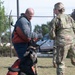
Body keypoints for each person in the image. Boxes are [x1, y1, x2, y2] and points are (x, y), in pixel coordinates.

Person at [7, 8, 39, 75]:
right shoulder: (23, 21)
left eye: (32, 16)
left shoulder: (26, 20)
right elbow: (27, 34)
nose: (31, 18)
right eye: (30, 16)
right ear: (26, 13)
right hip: (20, 44)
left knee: (26, 61)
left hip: (23, 43)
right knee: (25, 63)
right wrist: (38, 35)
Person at [49, 2, 75, 75]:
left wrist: (56, 38)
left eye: (54, 9)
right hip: (72, 42)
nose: (53, 10)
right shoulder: (70, 18)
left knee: (60, 63)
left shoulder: (55, 19)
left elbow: (52, 34)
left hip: (62, 43)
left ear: (57, 10)